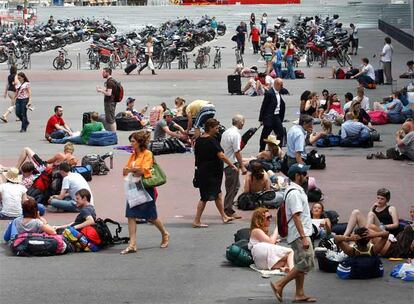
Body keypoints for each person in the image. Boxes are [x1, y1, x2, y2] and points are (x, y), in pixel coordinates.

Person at [270, 164, 315, 303]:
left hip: (298, 233)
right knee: (306, 261)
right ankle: (279, 284)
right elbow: (296, 216)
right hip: (300, 234)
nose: (306, 176)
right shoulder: (295, 193)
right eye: (304, 173)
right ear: (297, 176)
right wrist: (304, 238)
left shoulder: (295, 190)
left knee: (300, 262)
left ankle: (299, 293)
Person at [121, 131, 169, 254]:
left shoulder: (147, 154)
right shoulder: (133, 155)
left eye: (133, 141)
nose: (131, 144)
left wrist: (132, 170)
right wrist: (132, 170)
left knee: (151, 217)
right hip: (133, 187)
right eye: (131, 141)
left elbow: (144, 170)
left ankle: (164, 233)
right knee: (130, 215)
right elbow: (125, 171)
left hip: (146, 187)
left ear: (139, 142)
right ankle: (132, 244)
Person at [193, 118, 236, 228]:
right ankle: (196, 220)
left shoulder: (199, 140)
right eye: (216, 128)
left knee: (217, 194)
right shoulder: (212, 140)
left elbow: (196, 156)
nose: (217, 130)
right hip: (211, 173)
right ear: (210, 128)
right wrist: (231, 165)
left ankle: (224, 216)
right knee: (204, 197)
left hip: (203, 171)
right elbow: (221, 155)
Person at [221, 114, 247, 219]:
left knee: (234, 186)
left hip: (226, 162)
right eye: (243, 122)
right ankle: (228, 209)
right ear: (240, 122)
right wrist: (242, 166)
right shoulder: (236, 134)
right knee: (232, 187)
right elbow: (237, 151)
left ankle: (228, 206)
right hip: (231, 163)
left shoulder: (226, 132)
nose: (243, 124)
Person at [258, 78, 286, 152]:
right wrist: (261, 119)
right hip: (269, 117)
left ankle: (278, 150)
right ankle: (261, 150)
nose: (282, 86)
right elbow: (264, 106)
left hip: (276, 117)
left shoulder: (278, 91)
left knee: (281, 133)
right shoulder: (269, 93)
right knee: (265, 136)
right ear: (276, 84)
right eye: (281, 85)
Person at [96, 67, 117, 132]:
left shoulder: (109, 82)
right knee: (111, 118)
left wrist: (100, 91)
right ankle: (113, 134)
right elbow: (109, 91)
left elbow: (109, 93)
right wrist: (102, 89)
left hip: (110, 102)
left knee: (111, 120)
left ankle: (113, 134)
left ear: (107, 73)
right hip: (112, 101)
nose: (102, 74)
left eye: (103, 72)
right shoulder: (112, 80)